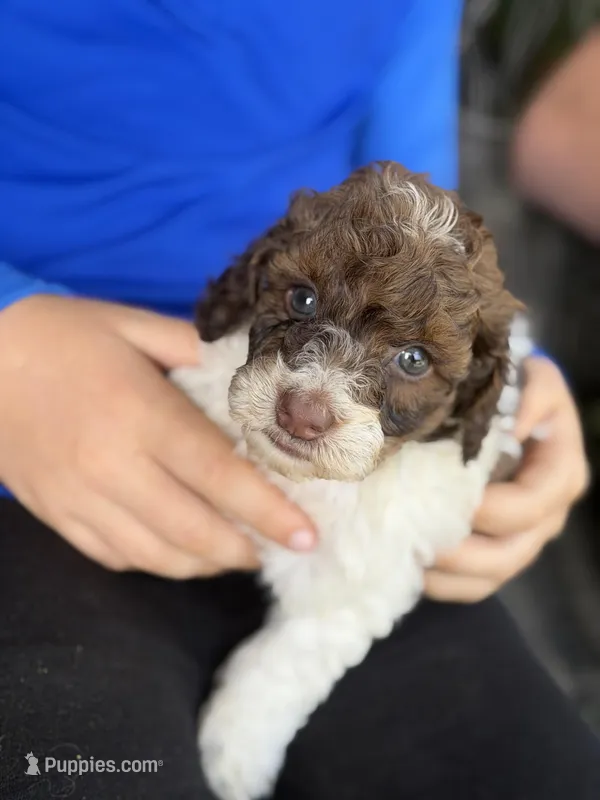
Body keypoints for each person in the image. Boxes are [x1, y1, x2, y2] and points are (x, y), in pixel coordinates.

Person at [0, 1, 594, 798]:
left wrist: (518, 388)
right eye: (304, 300)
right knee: (76, 769)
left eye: (412, 360)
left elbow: (420, 206)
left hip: (361, 525)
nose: (312, 406)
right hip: (37, 452)